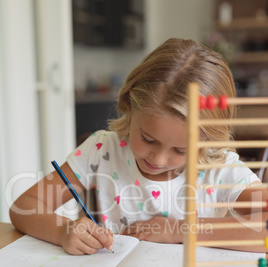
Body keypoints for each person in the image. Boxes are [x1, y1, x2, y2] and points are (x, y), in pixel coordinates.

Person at [9, 38, 268, 254]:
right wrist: (63, 230)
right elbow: (25, 206)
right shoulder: (100, 150)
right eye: (148, 138)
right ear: (129, 106)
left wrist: (182, 229)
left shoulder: (218, 169)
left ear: (207, 139)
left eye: (180, 150)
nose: (159, 158)